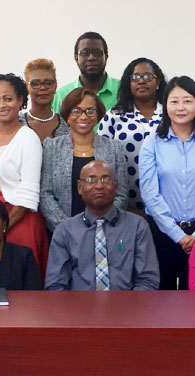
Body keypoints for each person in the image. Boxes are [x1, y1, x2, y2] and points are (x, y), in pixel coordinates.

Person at [139, 76, 195, 290]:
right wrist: (178, 235)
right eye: (174, 101)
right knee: (161, 301)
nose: (180, 107)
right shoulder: (151, 144)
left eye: (187, 101)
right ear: (165, 105)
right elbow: (150, 194)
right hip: (161, 232)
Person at [0, 73, 49, 277]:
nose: (1, 105)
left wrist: (1, 229)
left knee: (16, 286)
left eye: (8, 98)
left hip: (16, 220)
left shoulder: (28, 138)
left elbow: (29, 191)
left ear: (20, 100)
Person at [45, 160, 159, 290]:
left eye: (106, 180)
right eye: (91, 179)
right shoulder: (65, 231)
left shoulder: (137, 226)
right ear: (79, 187)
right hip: (78, 308)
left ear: (116, 187)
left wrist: (128, 308)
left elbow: (148, 280)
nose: (99, 186)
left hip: (128, 307)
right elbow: (55, 286)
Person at [40, 89, 129, 233]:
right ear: (67, 116)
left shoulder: (114, 148)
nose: (83, 116)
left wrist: (100, 225)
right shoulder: (51, 147)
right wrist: (68, 229)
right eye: (76, 110)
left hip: (106, 232)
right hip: (63, 233)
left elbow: (121, 193)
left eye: (90, 111)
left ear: (98, 115)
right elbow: (45, 194)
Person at [98, 57, 165, 215]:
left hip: (167, 205)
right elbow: (101, 155)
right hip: (125, 205)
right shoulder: (115, 115)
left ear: (158, 83)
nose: (141, 81)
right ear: (129, 83)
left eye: (148, 76)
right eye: (135, 77)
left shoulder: (170, 113)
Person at [52, 31, 121, 113]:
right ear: (76, 58)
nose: (91, 57)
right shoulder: (61, 96)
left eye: (97, 53)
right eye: (84, 53)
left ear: (106, 56)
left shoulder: (124, 90)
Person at [19, 58, 69, 142]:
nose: (42, 87)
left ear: (55, 85)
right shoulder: (18, 124)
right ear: (26, 87)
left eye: (48, 83)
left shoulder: (68, 125)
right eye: (35, 83)